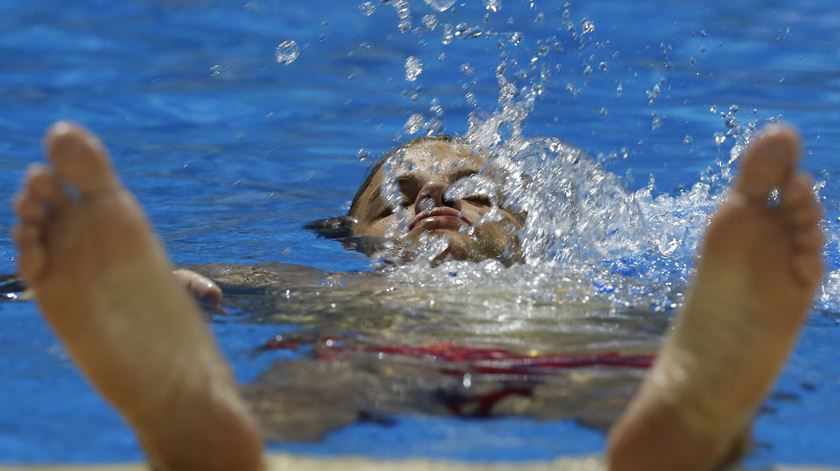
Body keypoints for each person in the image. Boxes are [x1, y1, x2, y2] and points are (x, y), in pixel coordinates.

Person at [11, 122, 823, 470]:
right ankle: (197, 424)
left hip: (572, 352)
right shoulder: (315, 285)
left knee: (648, 371)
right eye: (395, 198)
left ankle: (696, 403)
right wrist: (166, 291)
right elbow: (32, 285)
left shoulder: (579, 286)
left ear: (523, 226)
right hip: (368, 357)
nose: (434, 201)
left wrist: (716, 317)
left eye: (473, 189)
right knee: (307, 385)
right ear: (357, 236)